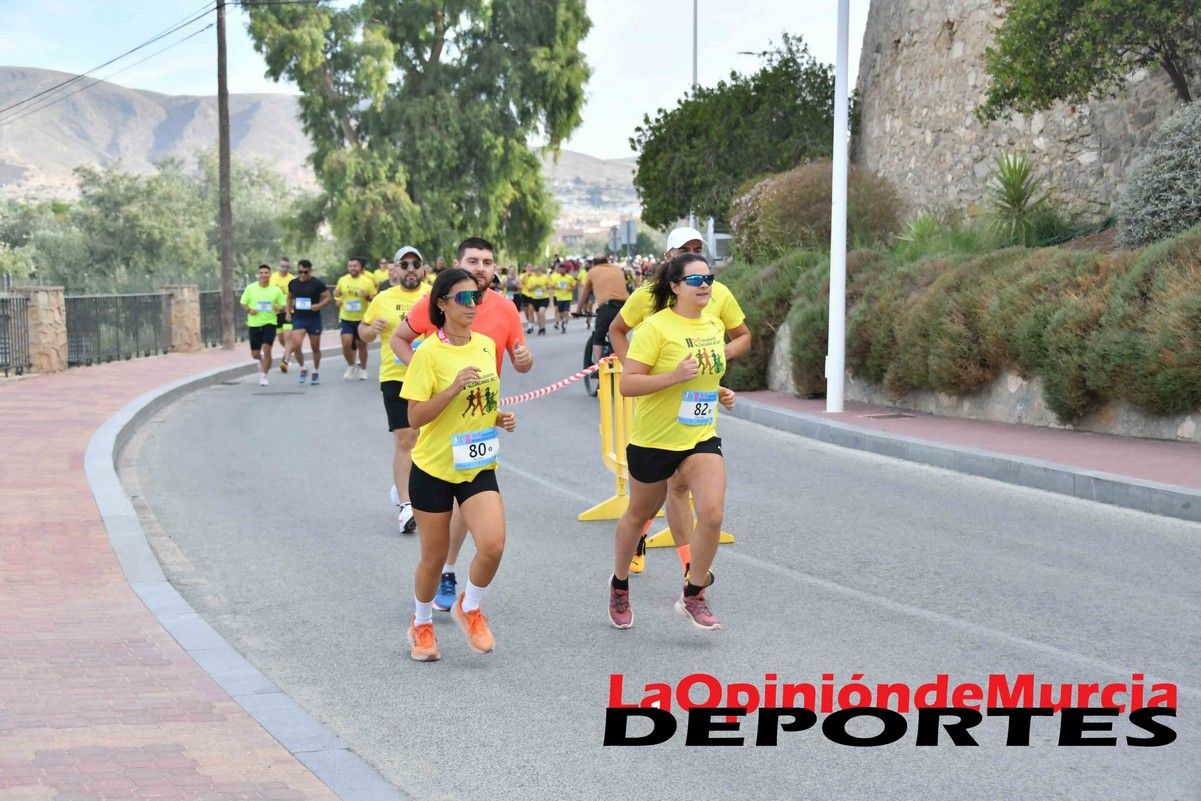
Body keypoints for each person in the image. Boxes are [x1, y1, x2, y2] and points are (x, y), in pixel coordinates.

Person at [391, 237, 532, 613]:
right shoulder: (436, 311)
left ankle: (465, 598)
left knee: (482, 526)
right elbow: (400, 340)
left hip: (479, 424)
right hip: (440, 424)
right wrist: (429, 379)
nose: (481, 267)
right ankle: (432, 594)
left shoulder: (500, 317)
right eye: (473, 260)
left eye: (488, 261)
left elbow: (520, 363)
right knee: (436, 539)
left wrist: (521, 362)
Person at [609, 227, 751, 574]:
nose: (702, 281)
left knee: (684, 490)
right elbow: (617, 331)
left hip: (698, 419)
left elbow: (742, 337)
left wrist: (714, 366)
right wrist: (640, 373)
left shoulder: (716, 296)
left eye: (697, 249)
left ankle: (691, 571)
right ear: (668, 258)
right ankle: (629, 558)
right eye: (684, 249)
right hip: (657, 412)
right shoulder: (649, 301)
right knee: (646, 503)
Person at [401, 268, 518, 661]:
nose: (473, 305)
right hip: (434, 468)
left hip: (477, 462)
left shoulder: (485, 345)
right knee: (434, 559)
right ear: (442, 304)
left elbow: (480, 400)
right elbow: (415, 417)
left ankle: (470, 607)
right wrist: (452, 389)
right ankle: (421, 623)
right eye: (463, 299)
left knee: (493, 544)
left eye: (477, 298)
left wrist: (496, 415)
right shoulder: (428, 353)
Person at [359, 246, 430, 534]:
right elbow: (362, 334)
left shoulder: (434, 295)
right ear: (396, 270)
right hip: (396, 377)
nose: (410, 269)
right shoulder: (382, 299)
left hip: (431, 377)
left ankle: (410, 487)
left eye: (416, 264)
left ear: (423, 269)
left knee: (426, 440)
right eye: (405, 264)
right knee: (405, 439)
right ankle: (406, 506)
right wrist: (370, 328)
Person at [578, 253, 629, 367]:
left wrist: (578, 310)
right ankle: (626, 363)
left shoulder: (593, 271)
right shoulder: (618, 269)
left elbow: (584, 293)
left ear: (594, 264)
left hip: (607, 307)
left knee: (598, 337)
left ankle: (597, 367)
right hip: (625, 307)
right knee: (620, 333)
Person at [240, 264, 287, 386]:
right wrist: (250, 310)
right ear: (258, 275)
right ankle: (260, 359)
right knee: (255, 354)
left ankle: (263, 376)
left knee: (267, 349)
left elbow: (283, 305)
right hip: (254, 323)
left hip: (270, 323)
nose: (263, 275)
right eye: (261, 273)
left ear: (270, 274)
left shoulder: (276, 290)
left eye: (266, 272)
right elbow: (243, 303)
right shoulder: (250, 288)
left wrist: (279, 308)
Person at [286, 260, 331, 385]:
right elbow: (289, 297)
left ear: (310, 271)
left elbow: (328, 297)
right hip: (299, 318)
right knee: (296, 345)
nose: (302, 274)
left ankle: (315, 371)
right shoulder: (293, 283)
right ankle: (303, 368)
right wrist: (288, 312)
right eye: (300, 272)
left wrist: (319, 305)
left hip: (313, 319)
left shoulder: (317, 283)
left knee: (315, 347)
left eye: (305, 272)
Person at [335, 257, 377, 380]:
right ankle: (351, 364)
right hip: (346, 318)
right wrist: (337, 300)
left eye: (355, 266)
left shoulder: (367, 281)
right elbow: (338, 296)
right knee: (346, 343)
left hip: (362, 319)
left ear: (360, 267)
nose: (353, 268)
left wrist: (367, 296)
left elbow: (375, 300)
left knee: (362, 345)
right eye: (350, 266)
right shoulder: (342, 280)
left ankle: (363, 369)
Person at [270, 257, 303, 374]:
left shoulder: (292, 279)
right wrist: (274, 306)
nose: (285, 269)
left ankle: (285, 361)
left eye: (287, 267)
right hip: (276, 312)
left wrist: (285, 308)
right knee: (281, 338)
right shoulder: (272, 278)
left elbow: (295, 296)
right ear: (278, 266)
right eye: (283, 266)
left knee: (288, 335)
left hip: (289, 311)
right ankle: (288, 352)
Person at [521, 263, 551, 335]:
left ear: (540, 270)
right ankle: (540, 328)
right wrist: (534, 286)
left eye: (538, 269)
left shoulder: (545, 277)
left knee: (541, 312)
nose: (536, 271)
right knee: (538, 314)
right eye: (535, 270)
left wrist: (546, 287)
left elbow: (550, 285)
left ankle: (543, 328)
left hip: (544, 298)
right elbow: (529, 289)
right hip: (534, 298)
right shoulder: (532, 278)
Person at [550, 262, 577, 333]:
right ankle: (563, 321)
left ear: (565, 270)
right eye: (560, 269)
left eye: (563, 269)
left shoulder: (569, 278)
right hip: (559, 298)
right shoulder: (556, 278)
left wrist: (570, 289)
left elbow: (574, 285)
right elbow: (551, 286)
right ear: (559, 270)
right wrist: (555, 287)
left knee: (566, 312)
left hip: (567, 298)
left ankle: (564, 325)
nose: (562, 271)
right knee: (560, 313)